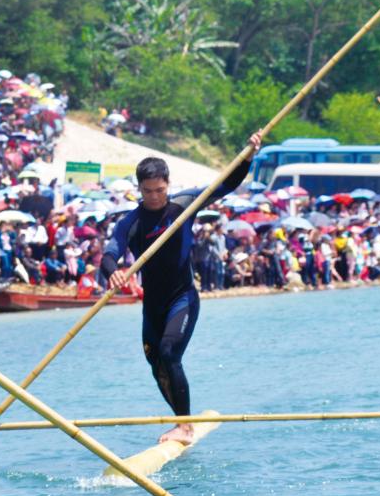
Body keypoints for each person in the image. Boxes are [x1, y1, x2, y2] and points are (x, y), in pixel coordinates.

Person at [100, 132, 262, 445]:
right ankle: (181, 419)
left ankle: (184, 426)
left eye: (159, 190)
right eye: (148, 191)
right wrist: (113, 272)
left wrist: (248, 157)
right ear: (139, 189)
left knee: (169, 352)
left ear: (168, 184)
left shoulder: (183, 205)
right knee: (156, 366)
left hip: (182, 299)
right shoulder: (130, 222)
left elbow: (225, 186)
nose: (155, 197)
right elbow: (109, 255)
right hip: (153, 307)